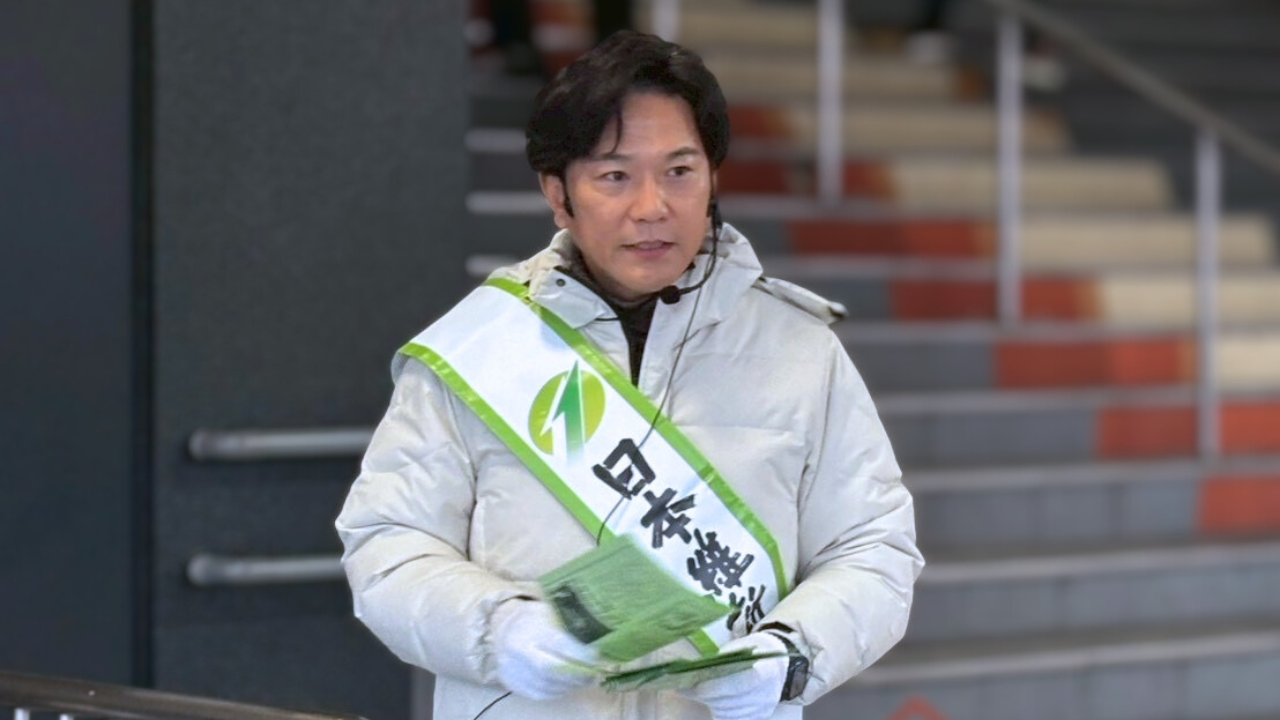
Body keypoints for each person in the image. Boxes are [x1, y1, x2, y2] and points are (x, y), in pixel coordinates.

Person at [336, 30, 923, 720]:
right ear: (559, 195)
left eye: (679, 171)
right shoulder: (482, 347)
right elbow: (387, 544)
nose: (652, 207)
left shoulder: (801, 350)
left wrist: (793, 656)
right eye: (615, 176)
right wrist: (498, 630)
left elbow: (874, 548)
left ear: (712, 179)